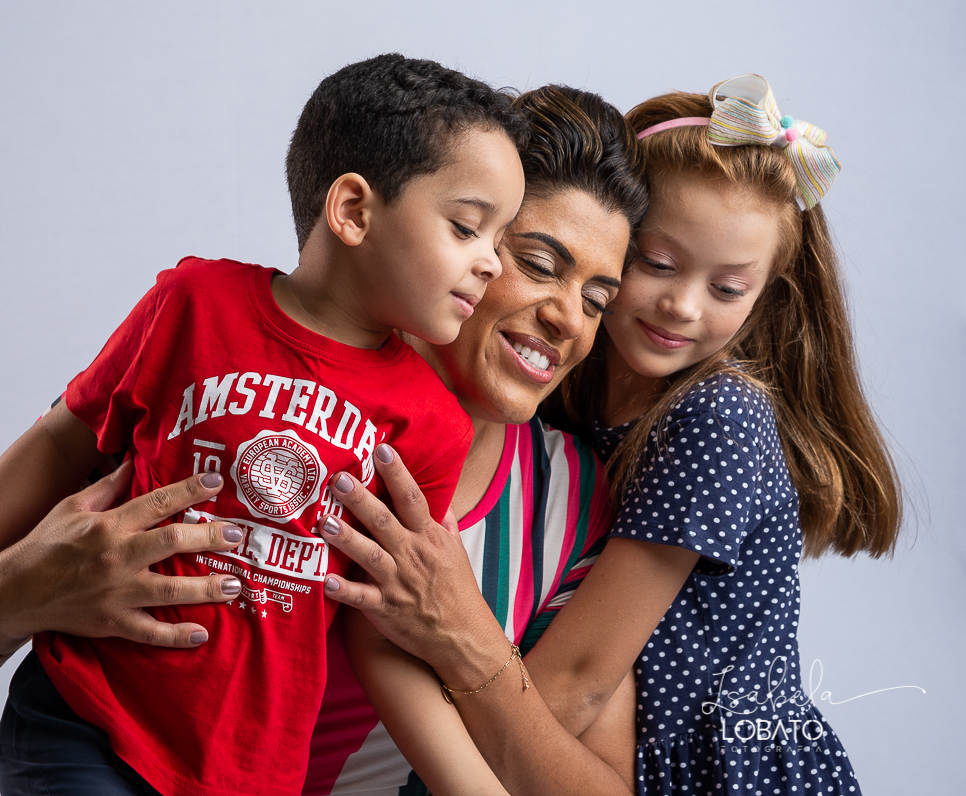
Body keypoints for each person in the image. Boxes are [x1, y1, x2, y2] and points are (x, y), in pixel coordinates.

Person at [0, 83, 651, 795]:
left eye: (597, 298)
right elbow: (66, 446)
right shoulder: (218, 320)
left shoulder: (563, 494)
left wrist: (468, 641)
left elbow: (393, 649)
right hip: (91, 726)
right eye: (534, 261)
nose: (567, 318)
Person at [319, 74, 902, 796]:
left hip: (722, 769)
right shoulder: (570, 401)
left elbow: (576, 679)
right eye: (654, 265)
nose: (683, 304)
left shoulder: (713, 417)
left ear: (762, 297)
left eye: (727, 289)